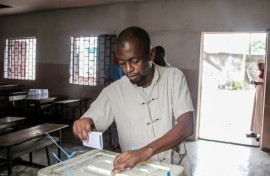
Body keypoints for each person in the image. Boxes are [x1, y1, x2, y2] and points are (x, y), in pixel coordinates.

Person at [73, 26, 194, 175]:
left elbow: (186, 126)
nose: (128, 69)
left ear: (151, 54)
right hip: (136, 171)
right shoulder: (113, 91)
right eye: (122, 63)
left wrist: (145, 152)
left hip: (175, 168)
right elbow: (88, 123)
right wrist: (82, 125)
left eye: (134, 61)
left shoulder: (174, 77)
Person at [246, 60, 265, 141]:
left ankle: (261, 134)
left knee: (260, 113)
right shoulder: (262, 73)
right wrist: (256, 83)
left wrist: (257, 83)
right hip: (258, 95)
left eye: (260, 65)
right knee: (256, 113)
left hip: (262, 96)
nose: (258, 67)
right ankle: (254, 132)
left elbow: (265, 83)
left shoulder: (265, 73)